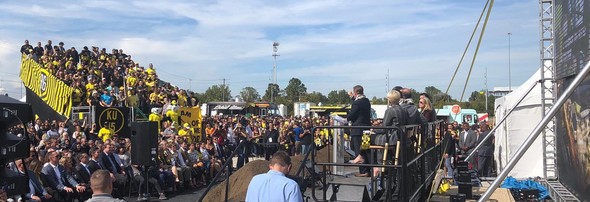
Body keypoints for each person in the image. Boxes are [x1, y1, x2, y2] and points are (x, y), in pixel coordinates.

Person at [346, 85, 371, 177]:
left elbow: (351, 115)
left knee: (358, 151)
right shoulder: (366, 101)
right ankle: (367, 170)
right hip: (366, 129)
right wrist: (352, 97)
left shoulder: (356, 103)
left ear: (355, 92)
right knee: (365, 149)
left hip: (357, 130)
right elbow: (358, 104)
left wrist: (347, 117)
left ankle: (363, 171)